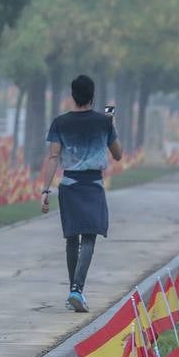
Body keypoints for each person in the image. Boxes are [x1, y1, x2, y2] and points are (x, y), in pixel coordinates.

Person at [38, 74, 123, 313]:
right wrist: (111, 125)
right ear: (93, 96)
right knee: (89, 237)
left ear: (72, 96)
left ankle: (74, 290)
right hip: (93, 185)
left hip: (69, 185)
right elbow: (118, 154)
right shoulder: (103, 122)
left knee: (71, 238)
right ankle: (77, 289)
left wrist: (45, 190)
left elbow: (54, 157)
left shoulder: (60, 123)